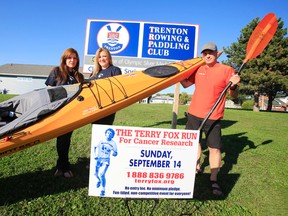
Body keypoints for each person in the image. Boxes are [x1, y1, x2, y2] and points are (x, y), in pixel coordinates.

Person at [181, 42, 240, 196]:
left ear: (216, 54)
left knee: (214, 148)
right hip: (194, 114)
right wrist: (177, 75)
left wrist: (234, 86)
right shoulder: (199, 69)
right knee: (194, 144)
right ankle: (196, 168)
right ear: (202, 55)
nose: (207, 55)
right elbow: (186, 84)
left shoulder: (226, 70)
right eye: (204, 53)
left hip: (213, 116)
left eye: (210, 52)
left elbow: (234, 96)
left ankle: (214, 179)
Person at [45, 48, 84, 178]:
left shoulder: (79, 76)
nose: (72, 60)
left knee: (65, 139)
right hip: (58, 111)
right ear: (64, 59)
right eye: (69, 58)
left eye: (74, 58)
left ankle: (62, 167)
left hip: (72, 113)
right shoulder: (56, 71)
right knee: (62, 139)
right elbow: (49, 92)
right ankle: (64, 166)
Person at [89, 47, 122, 125]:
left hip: (108, 107)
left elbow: (117, 89)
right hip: (95, 107)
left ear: (109, 58)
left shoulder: (115, 70)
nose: (102, 59)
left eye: (104, 56)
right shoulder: (94, 73)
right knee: (95, 131)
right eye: (99, 57)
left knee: (104, 130)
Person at [94, 128, 118, 196]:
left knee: (102, 174)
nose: (109, 134)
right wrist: (96, 155)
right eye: (108, 133)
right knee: (95, 174)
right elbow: (95, 147)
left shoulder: (113, 144)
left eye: (111, 134)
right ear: (105, 134)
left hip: (106, 160)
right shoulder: (101, 140)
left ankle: (103, 190)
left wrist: (114, 153)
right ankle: (99, 180)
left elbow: (116, 152)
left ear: (113, 136)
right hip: (99, 159)